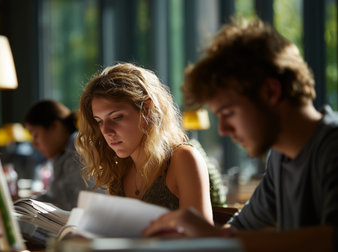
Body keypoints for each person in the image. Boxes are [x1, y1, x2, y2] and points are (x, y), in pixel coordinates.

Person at [142, 18, 338, 251]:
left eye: (229, 113)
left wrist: (213, 238)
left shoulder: (332, 145)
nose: (223, 130)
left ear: (270, 91)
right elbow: (241, 228)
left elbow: (332, 239)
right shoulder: (280, 156)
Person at [76, 62, 213, 222]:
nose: (106, 131)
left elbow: (202, 238)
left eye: (116, 117)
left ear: (147, 109)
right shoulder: (119, 169)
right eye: (99, 121)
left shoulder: (184, 159)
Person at [24, 100, 96, 211]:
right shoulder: (61, 155)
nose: (34, 144)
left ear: (55, 127)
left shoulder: (80, 152)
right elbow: (57, 199)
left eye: (35, 135)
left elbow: (86, 206)